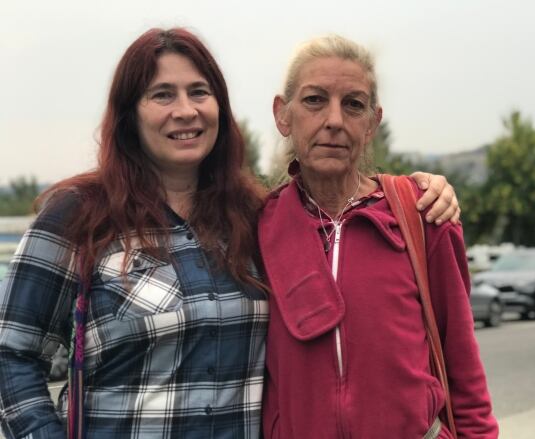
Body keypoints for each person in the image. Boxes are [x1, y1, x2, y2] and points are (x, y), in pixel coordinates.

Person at [0, 28, 459, 438]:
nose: (185, 111)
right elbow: (10, 356)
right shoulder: (79, 215)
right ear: (129, 115)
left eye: (199, 92)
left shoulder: (255, 216)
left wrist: (422, 188)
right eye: (162, 95)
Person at [258, 34, 499, 438]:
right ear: (283, 115)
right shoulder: (256, 225)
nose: (334, 120)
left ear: (372, 122)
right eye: (315, 100)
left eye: (353, 104)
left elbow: (463, 366)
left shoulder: (422, 214)